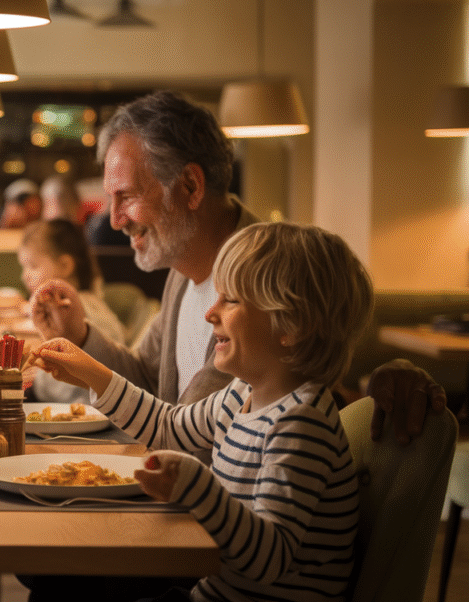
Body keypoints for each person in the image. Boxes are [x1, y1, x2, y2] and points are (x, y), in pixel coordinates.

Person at [29, 90, 445, 445]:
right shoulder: (184, 271)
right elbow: (148, 378)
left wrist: (398, 374)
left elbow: (335, 380)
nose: (115, 220)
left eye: (127, 196)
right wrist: (79, 336)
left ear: (190, 187)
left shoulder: (274, 276)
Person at [26, 222, 370, 602]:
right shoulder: (241, 394)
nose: (211, 313)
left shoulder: (301, 423)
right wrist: (91, 370)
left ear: (292, 324)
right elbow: (168, 425)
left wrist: (198, 486)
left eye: (231, 300)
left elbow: (268, 560)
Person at [17, 218, 126, 403]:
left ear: (66, 266)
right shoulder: (83, 303)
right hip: (53, 397)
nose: (24, 275)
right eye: (24, 267)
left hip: (74, 406)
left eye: (33, 266)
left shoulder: (77, 311)